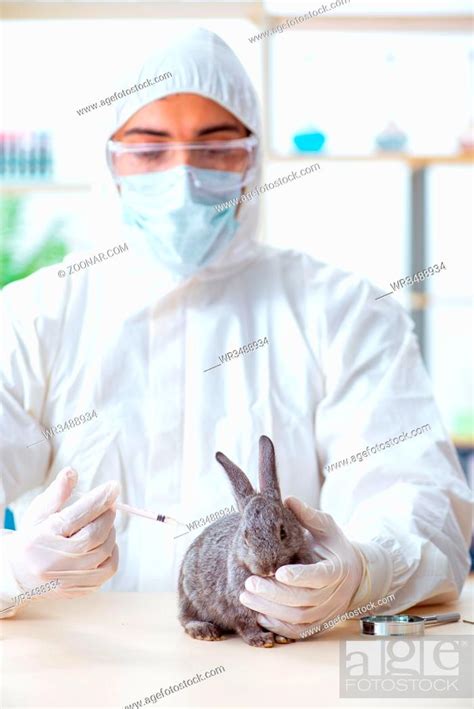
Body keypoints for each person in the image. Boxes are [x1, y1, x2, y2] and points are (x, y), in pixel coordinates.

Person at [1, 29, 471, 639]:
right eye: (149, 150)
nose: (183, 177)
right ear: (110, 160)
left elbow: (418, 501)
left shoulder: (344, 311)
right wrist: (13, 566)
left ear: (253, 157)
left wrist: (362, 571)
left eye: (216, 147)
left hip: (282, 670)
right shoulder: (37, 314)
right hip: (78, 670)